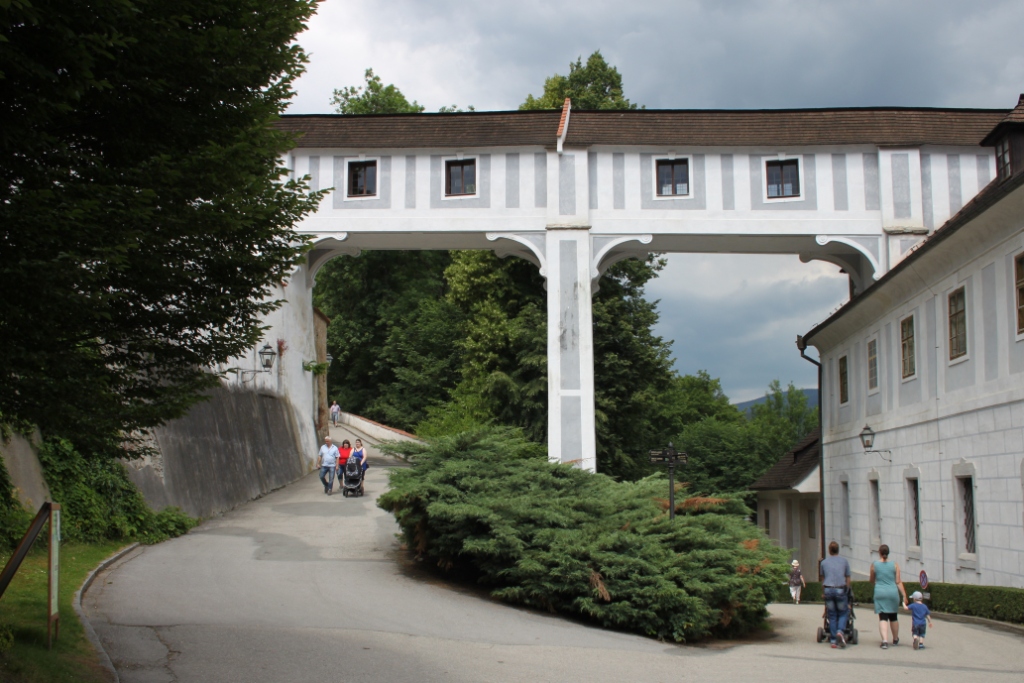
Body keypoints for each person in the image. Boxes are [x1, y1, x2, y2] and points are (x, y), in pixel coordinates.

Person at [870, 544, 908, 650]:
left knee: (883, 617)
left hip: (880, 592)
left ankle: (885, 641)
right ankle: (895, 639)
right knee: (893, 617)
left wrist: (878, 584)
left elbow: (872, 580)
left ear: (879, 552)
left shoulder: (874, 565)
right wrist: (904, 595)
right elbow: (898, 581)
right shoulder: (895, 565)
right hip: (892, 592)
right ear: (888, 553)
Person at [819, 541, 851, 648]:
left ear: (829, 550)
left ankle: (833, 640)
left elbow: (823, 579)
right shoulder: (844, 561)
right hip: (840, 589)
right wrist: (847, 590)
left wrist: (823, 592)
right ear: (838, 550)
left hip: (828, 589)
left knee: (832, 615)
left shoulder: (823, 563)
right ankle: (840, 631)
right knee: (843, 612)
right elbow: (847, 578)